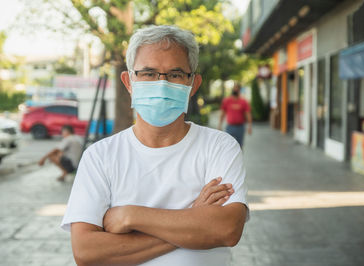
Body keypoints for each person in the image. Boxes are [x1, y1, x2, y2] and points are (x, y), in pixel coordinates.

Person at [61, 25, 249, 266]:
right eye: (148, 73)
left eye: (175, 74)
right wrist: (193, 219)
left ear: (193, 84)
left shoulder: (219, 147)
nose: (162, 84)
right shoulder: (100, 156)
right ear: (129, 81)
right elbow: (87, 252)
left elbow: (226, 230)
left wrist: (130, 215)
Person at [218, 83, 252, 148]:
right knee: (228, 146)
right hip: (230, 127)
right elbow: (222, 113)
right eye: (234, 88)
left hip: (240, 127)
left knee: (239, 146)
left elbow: (248, 114)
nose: (235, 89)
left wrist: (250, 126)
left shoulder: (244, 101)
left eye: (237, 88)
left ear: (239, 90)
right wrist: (220, 125)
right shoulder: (227, 100)